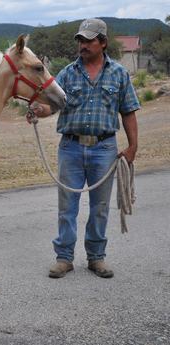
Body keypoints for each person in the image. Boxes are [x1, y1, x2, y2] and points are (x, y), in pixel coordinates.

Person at [30, 18, 140, 278]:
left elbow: (128, 112)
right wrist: (38, 110)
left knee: (100, 207)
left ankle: (96, 257)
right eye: (80, 40)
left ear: (103, 42)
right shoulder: (67, 73)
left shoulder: (119, 74)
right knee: (67, 206)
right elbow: (54, 106)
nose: (83, 45)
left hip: (104, 148)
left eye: (88, 40)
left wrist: (133, 145)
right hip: (71, 147)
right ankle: (64, 258)